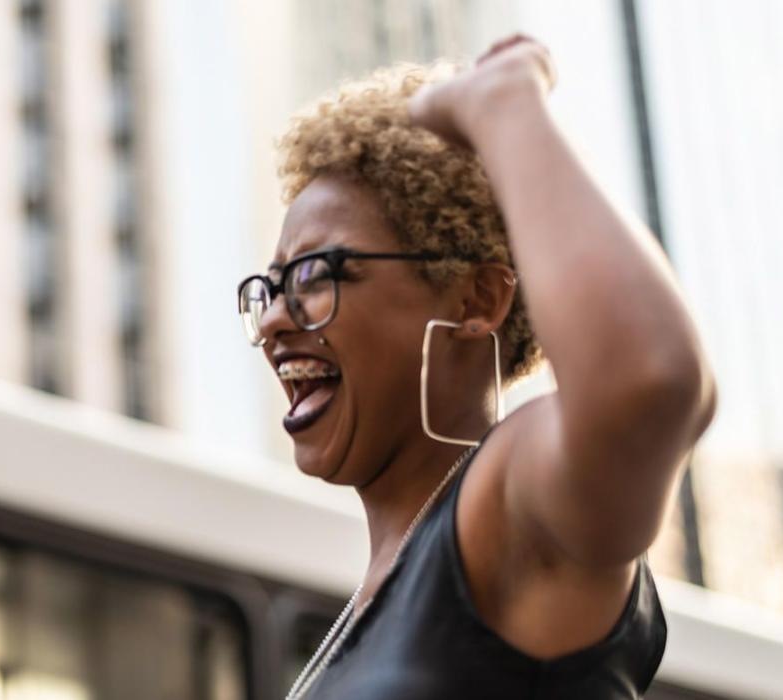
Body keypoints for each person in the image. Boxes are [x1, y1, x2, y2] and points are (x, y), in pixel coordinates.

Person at [240, 36, 715, 698]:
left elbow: (647, 380)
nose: (270, 322)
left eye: (315, 274)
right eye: (268, 287)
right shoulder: (367, 605)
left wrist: (506, 106)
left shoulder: (509, 512)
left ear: (478, 300)